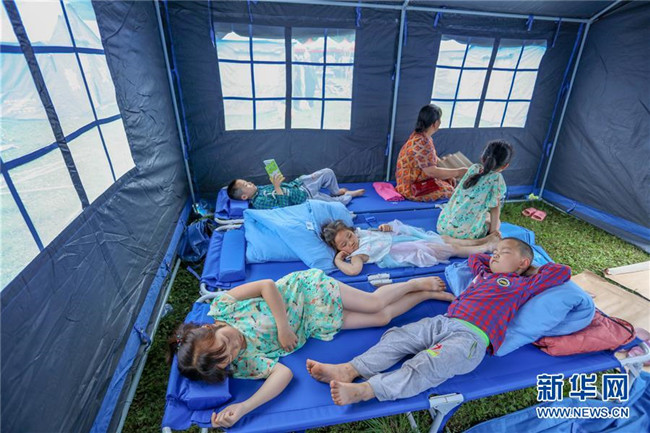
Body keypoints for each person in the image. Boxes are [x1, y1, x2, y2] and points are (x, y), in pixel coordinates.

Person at [168, 269, 455, 428]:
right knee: (382, 318)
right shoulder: (244, 363)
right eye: (228, 358)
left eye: (226, 342)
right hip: (315, 322)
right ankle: (424, 295)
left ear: (209, 328)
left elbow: (267, 285)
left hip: (306, 291)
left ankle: (414, 283)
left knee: (374, 303)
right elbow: (282, 374)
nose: (234, 348)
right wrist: (244, 407)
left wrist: (283, 326)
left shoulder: (224, 307)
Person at [306, 238, 571, 406]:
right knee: (398, 337)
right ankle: (351, 369)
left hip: (470, 338)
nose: (496, 255)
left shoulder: (523, 284)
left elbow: (560, 272)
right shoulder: (485, 274)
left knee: (426, 363)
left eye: (505, 252)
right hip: (444, 321)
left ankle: (367, 390)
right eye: (496, 251)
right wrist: (494, 252)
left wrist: (527, 269)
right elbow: (475, 259)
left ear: (523, 262)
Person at [321, 219, 499, 276]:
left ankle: (481, 240)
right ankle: (487, 247)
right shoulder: (357, 255)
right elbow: (354, 271)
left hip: (404, 237)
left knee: (443, 239)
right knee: (450, 248)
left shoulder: (360, 234)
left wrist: (384, 227)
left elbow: (377, 232)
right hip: (405, 250)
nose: (351, 242)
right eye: (344, 245)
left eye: (349, 236)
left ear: (351, 231)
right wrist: (338, 261)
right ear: (340, 250)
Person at [437, 140, 513, 242]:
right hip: (464, 235)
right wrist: (494, 233)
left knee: (485, 215)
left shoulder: (474, 168)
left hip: (442, 226)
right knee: (495, 220)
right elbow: (495, 207)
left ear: (482, 158)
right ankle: (488, 238)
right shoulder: (497, 179)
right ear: (505, 165)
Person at [395, 104, 467, 201]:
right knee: (452, 192)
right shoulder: (422, 142)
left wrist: (450, 173)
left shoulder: (420, 136)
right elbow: (431, 171)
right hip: (412, 188)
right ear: (436, 123)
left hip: (412, 180)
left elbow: (429, 159)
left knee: (449, 180)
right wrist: (458, 172)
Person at [227, 168, 364, 210]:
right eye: (246, 185)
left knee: (328, 172)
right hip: (306, 198)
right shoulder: (259, 202)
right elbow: (283, 206)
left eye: (247, 182)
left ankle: (336, 191)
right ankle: (348, 195)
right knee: (339, 204)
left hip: (300, 185)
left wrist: (276, 180)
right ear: (244, 197)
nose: (250, 183)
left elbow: (280, 185)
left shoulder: (259, 188)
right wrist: (277, 186)